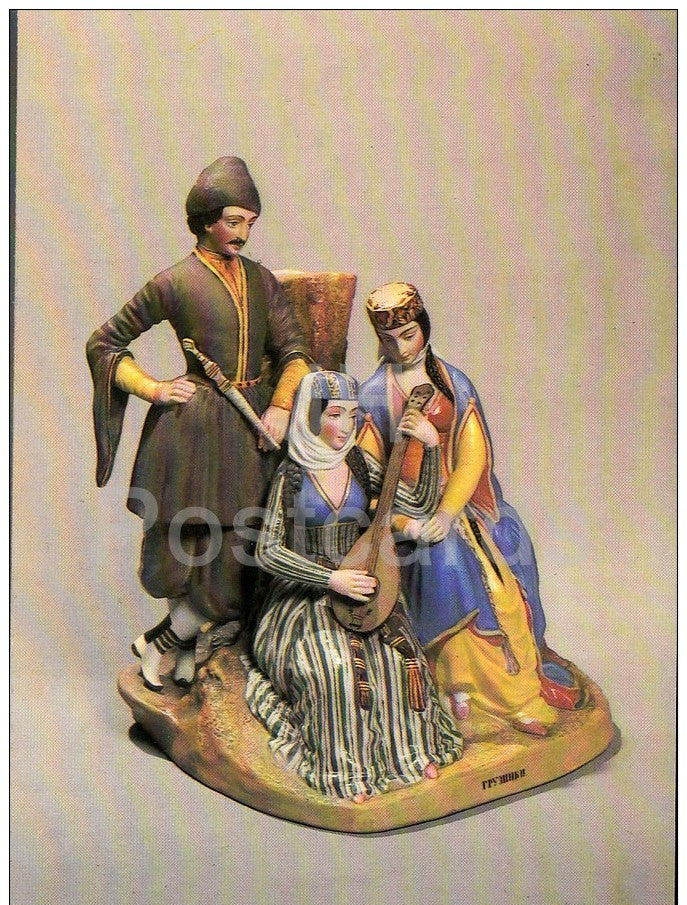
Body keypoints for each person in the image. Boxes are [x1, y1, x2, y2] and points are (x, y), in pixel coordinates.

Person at [86, 157, 312, 691]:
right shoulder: (174, 281)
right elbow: (105, 343)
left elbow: (296, 353)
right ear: (206, 220)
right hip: (192, 430)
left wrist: (281, 407)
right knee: (185, 545)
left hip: (251, 429)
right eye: (233, 221)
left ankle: (163, 644)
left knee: (238, 556)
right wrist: (153, 388)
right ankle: (179, 650)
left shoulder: (262, 281)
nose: (243, 233)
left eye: (250, 223)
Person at [358, 282, 582, 737]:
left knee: (506, 567)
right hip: (403, 514)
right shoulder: (374, 394)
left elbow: (472, 455)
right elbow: (367, 468)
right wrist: (405, 518)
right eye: (389, 340)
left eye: (408, 335)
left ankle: (516, 693)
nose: (401, 348)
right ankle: (457, 687)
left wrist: (446, 511)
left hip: (458, 507)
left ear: (424, 328)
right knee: (444, 565)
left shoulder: (453, 383)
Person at [242, 371, 463, 802]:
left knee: (400, 662)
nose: (345, 426)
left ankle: (410, 753)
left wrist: (430, 447)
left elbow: (417, 504)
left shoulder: (360, 464)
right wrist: (330, 579)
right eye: (334, 415)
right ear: (311, 416)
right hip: (304, 599)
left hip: (364, 589)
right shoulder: (291, 475)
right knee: (337, 670)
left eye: (352, 415)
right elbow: (267, 551)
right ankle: (344, 768)